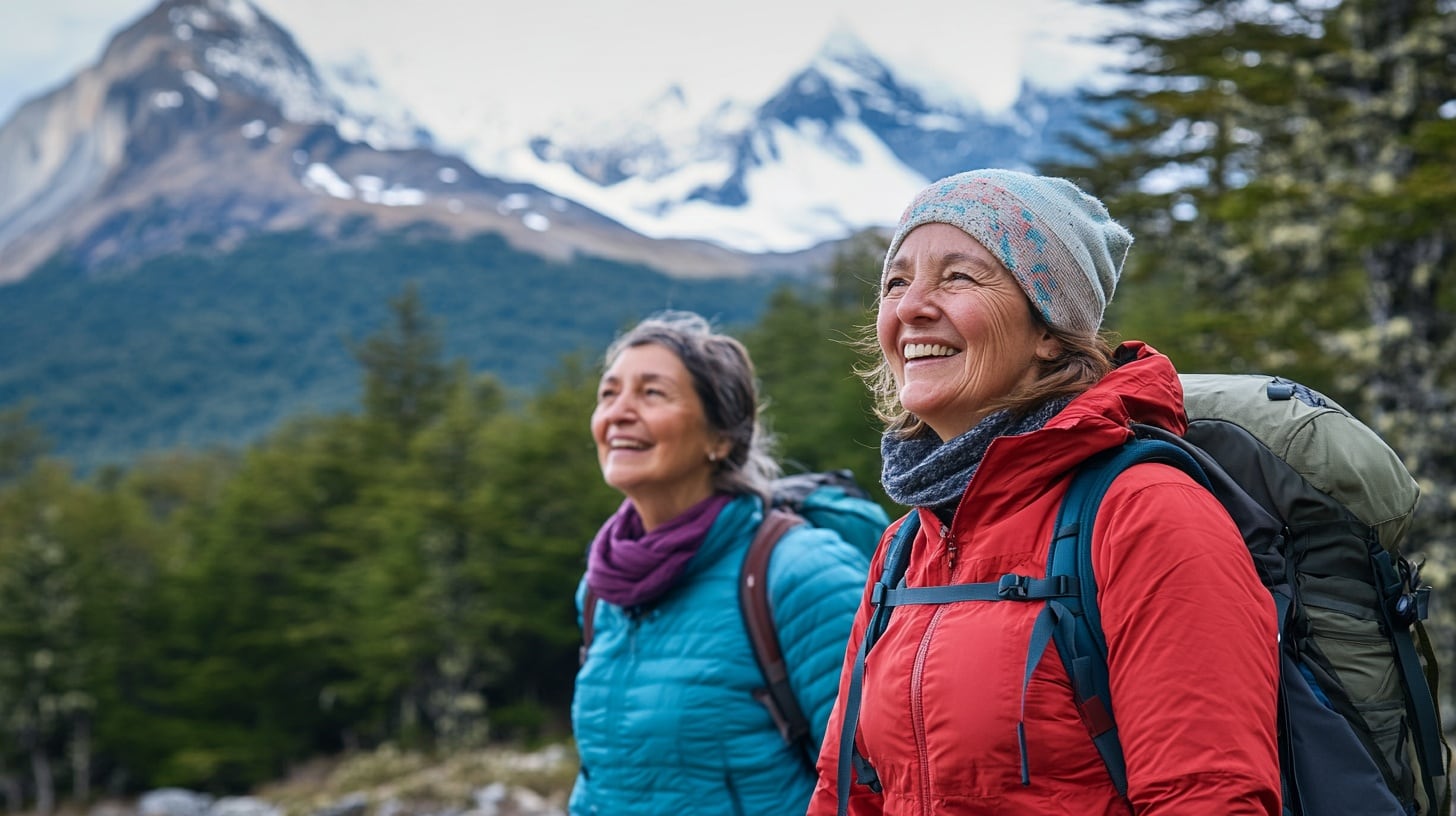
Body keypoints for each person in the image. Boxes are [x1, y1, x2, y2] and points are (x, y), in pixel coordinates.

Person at [806, 169, 1281, 815]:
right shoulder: (905, 545)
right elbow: (846, 795)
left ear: (1050, 330)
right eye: (896, 281)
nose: (910, 306)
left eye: (958, 276)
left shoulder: (1146, 513)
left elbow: (1207, 797)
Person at [570, 310, 884, 816]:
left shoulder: (799, 574)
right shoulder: (602, 589)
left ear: (721, 438)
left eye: (652, 393)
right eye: (609, 393)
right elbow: (602, 781)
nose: (619, 412)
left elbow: (875, 786)